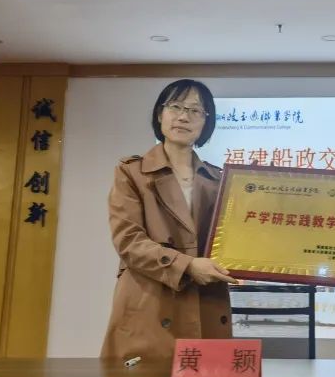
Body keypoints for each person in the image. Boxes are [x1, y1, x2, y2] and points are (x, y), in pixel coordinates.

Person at [101, 79, 237, 362]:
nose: (184, 117)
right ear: (160, 114)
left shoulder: (220, 179)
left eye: (195, 110)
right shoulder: (131, 173)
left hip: (205, 300)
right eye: (175, 106)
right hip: (150, 298)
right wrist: (187, 266)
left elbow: (235, 239)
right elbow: (129, 241)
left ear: (206, 122)